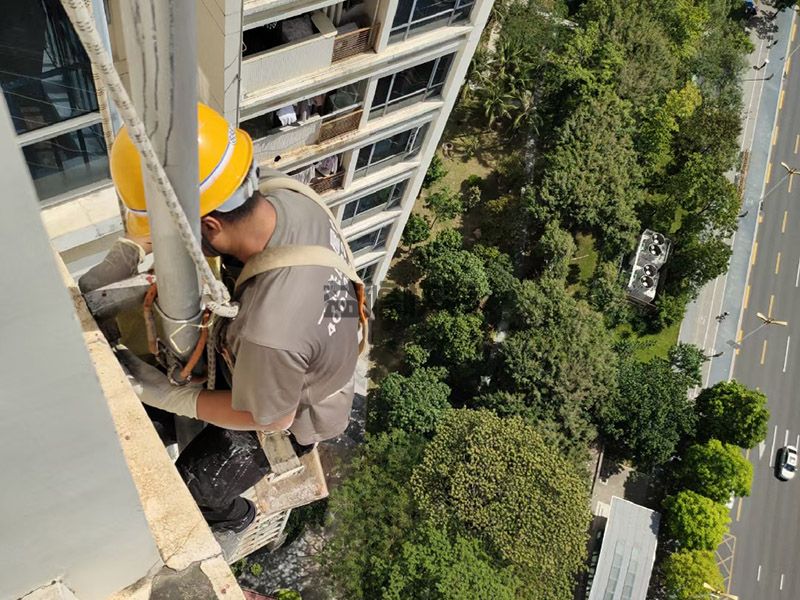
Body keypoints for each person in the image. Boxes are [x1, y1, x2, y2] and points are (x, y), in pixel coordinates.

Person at [79, 104, 363, 532]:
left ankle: (241, 519)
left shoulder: (269, 330)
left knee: (193, 490)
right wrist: (130, 252)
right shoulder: (285, 195)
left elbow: (271, 419)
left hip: (300, 408)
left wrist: (173, 398)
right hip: (313, 337)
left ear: (210, 226)